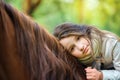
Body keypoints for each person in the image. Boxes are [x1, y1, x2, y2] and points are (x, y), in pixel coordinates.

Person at [53, 22, 120, 80]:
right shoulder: (78, 62)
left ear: (83, 32)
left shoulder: (111, 43)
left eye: (78, 38)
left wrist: (102, 75)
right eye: (72, 48)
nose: (80, 47)